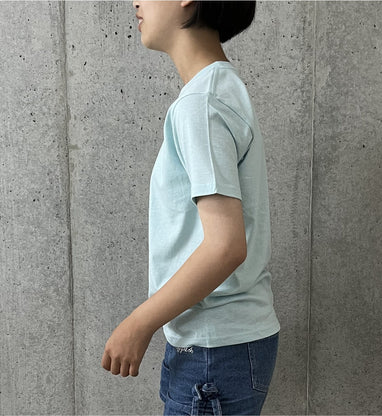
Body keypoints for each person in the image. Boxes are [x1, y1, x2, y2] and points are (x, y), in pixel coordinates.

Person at [101, 1, 281, 414]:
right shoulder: (218, 89)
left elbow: (225, 246)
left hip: (213, 353)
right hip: (218, 348)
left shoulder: (201, 104)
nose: (136, 2)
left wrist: (139, 323)